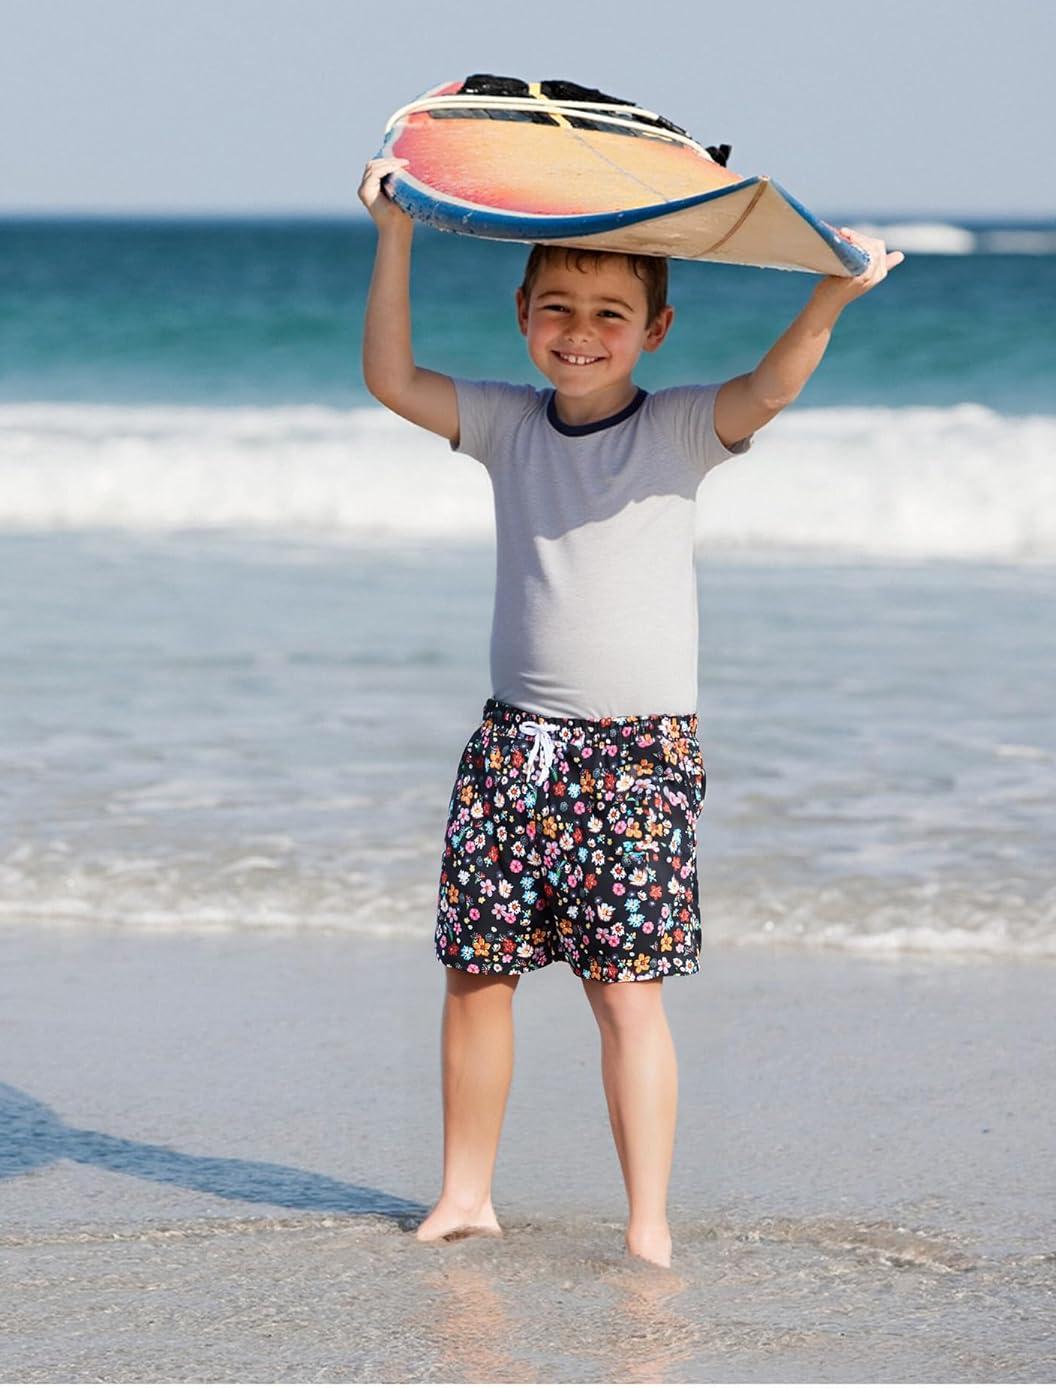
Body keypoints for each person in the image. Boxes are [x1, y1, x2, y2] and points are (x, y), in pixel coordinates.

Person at [357, 154, 903, 1268]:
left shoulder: (683, 429)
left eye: (610, 312)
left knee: (626, 993)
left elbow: (773, 388)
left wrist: (831, 297)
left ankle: (647, 1223)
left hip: (639, 759)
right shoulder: (505, 424)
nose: (580, 330)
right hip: (513, 748)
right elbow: (391, 379)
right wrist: (397, 231)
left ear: (655, 330)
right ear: (521, 314)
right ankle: (465, 1194)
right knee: (477, 975)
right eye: (557, 306)